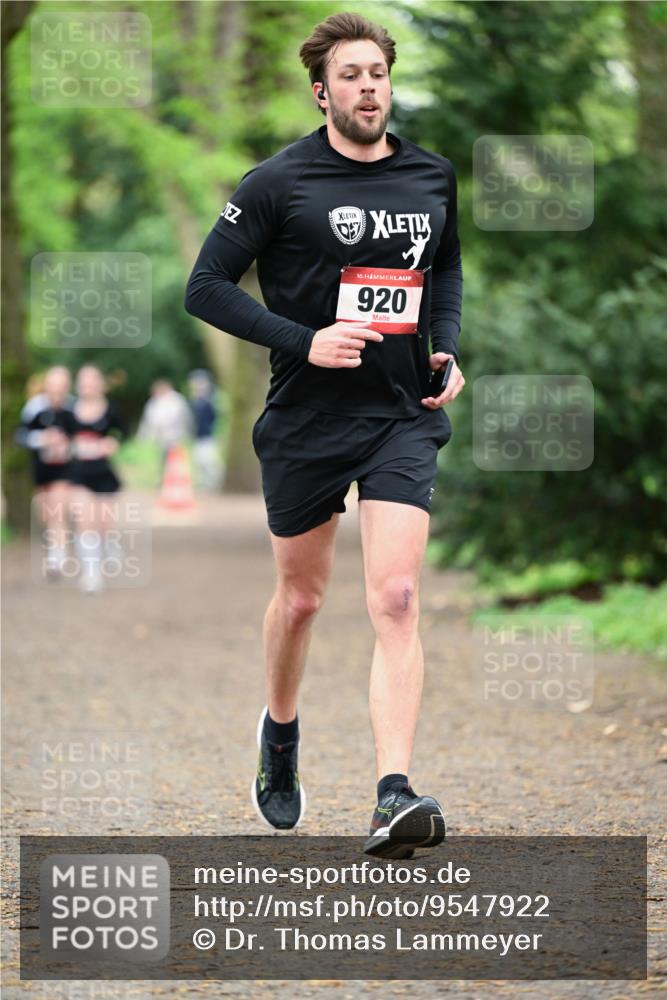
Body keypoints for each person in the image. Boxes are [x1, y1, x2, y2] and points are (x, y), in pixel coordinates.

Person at [185, 12, 465, 859]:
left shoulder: (431, 175)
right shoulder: (277, 182)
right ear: (322, 91)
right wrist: (302, 340)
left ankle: (392, 794)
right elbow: (204, 288)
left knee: (396, 597)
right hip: (306, 419)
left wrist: (445, 343)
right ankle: (278, 730)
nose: (366, 86)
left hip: (398, 417)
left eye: (376, 72)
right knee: (302, 599)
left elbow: (441, 265)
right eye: (349, 75)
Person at [68, 365, 127, 594]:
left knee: (104, 524)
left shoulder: (110, 409)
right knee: (84, 521)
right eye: (84, 380)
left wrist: (112, 443)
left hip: (104, 474)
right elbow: (61, 434)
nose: (88, 385)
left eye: (92, 380)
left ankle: (110, 545)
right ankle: (91, 574)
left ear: (100, 383)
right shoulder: (70, 410)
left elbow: (123, 432)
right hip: (79, 473)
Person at [16, 366, 74, 579]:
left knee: (58, 511)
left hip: (65, 470)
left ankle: (57, 557)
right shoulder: (35, 408)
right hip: (42, 470)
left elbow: (81, 437)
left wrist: (67, 445)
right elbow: (21, 435)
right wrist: (43, 439)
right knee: (45, 513)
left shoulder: (73, 409)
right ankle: (55, 549)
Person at [136, 379, 193, 477]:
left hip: (175, 436)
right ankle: (165, 479)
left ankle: (176, 479)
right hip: (162, 438)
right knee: (164, 459)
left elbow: (184, 418)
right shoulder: (154, 402)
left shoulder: (176, 400)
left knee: (176, 459)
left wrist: (185, 434)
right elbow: (149, 421)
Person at [187, 369, 222, 491]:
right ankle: (205, 484)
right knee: (199, 462)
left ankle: (215, 483)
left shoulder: (209, 401)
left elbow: (214, 418)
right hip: (198, 437)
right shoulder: (195, 401)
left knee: (209, 461)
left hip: (207, 436)